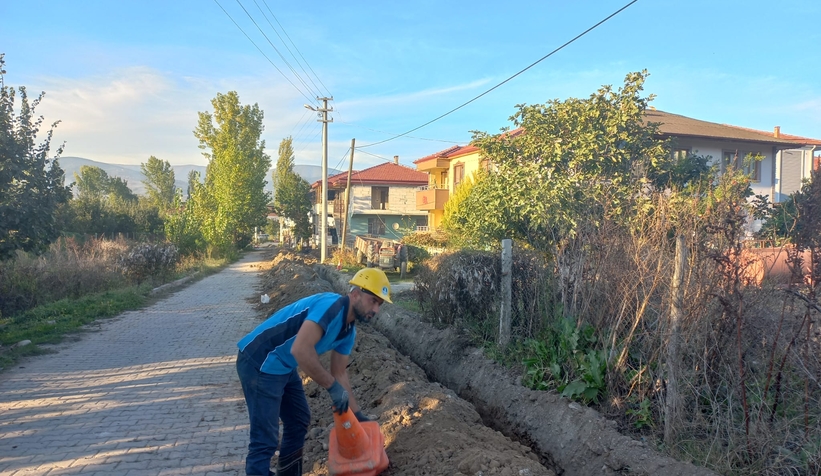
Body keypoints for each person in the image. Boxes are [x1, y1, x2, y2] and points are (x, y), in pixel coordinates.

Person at [236, 267, 392, 476]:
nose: (376, 309)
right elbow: (300, 350)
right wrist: (331, 386)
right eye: (373, 300)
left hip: (283, 364)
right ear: (355, 293)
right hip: (260, 360)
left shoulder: (348, 331)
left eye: (379, 304)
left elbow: (339, 374)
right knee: (265, 439)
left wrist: (357, 415)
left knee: (299, 419)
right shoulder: (332, 307)